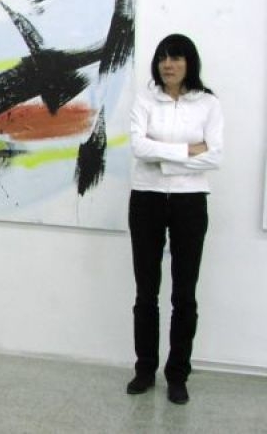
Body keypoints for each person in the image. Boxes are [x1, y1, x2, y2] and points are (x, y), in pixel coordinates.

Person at [126, 33, 223, 404]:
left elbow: (215, 155)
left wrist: (162, 156)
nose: (169, 64)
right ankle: (144, 369)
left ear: (189, 63)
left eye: (177, 58)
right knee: (146, 291)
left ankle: (177, 374)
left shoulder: (208, 103)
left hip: (190, 201)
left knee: (184, 294)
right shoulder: (145, 98)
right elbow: (139, 147)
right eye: (163, 58)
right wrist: (187, 151)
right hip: (146, 198)